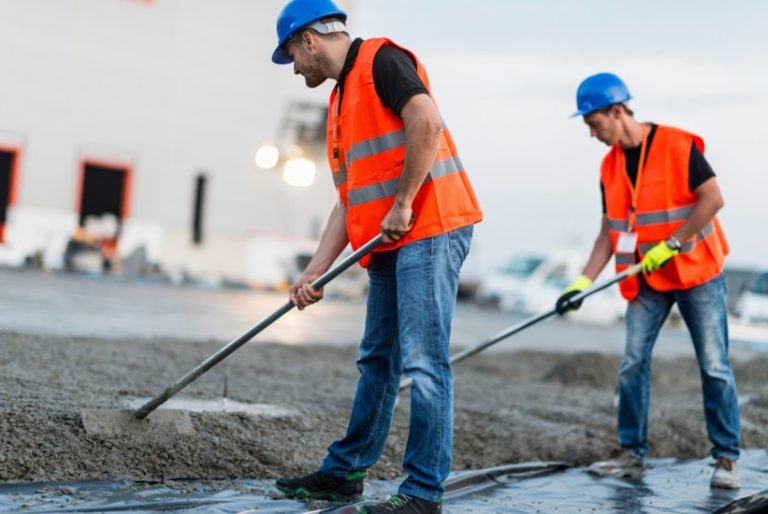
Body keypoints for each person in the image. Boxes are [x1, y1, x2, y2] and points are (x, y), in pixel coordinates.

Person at [270, 0, 483, 512]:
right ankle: (345, 473)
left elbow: (426, 122)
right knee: (377, 360)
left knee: (425, 363)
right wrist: (315, 271)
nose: (295, 68)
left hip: (429, 227)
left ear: (309, 41)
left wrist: (405, 202)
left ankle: (423, 493)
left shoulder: (383, 62)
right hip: (388, 239)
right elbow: (351, 199)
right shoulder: (340, 101)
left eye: (291, 56)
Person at [556, 72, 741, 489]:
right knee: (633, 363)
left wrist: (674, 243)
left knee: (714, 366)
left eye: (594, 123)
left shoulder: (678, 145)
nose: (592, 134)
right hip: (649, 280)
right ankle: (631, 453)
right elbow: (607, 234)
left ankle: (727, 459)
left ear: (617, 111)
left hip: (697, 272)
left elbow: (714, 198)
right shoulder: (609, 167)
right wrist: (580, 285)